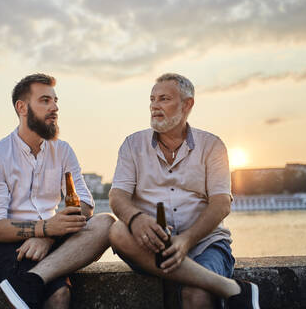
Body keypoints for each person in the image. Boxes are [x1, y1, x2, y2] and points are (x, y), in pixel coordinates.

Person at [108, 73, 260, 309]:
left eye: (164, 99)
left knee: (196, 293)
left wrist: (186, 240)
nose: (155, 106)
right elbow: (117, 196)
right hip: (151, 244)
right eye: (152, 99)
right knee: (117, 230)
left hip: (204, 242)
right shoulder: (132, 144)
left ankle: (202, 279)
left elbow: (221, 203)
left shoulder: (212, 145)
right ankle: (234, 289)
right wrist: (136, 219)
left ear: (187, 104)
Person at [0, 73, 115, 309]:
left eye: (55, 101)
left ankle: (30, 282)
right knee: (59, 296)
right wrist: (45, 228)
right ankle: (30, 283)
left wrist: (48, 237)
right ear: (22, 107)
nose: (55, 108)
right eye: (45, 101)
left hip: (50, 236)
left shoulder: (62, 150)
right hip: (4, 246)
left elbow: (84, 204)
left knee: (106, 223)